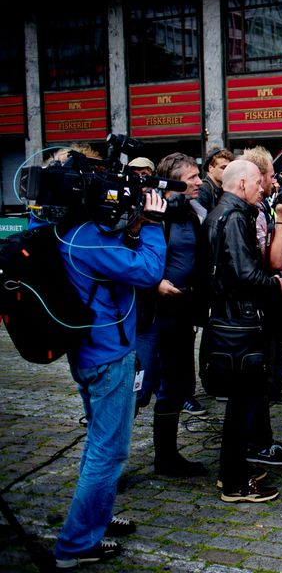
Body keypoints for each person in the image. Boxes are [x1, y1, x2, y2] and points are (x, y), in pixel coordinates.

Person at [53, 189, 167, 569]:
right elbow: (148, 271)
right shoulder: (87, 236)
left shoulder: (67, 230)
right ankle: (75, 545)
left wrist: (129, 228)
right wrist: (151, 225)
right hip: (108, 354)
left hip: (87, 350)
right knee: (109, 451)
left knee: (98, 443)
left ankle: (92, 521)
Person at [204, 159, 282, 503]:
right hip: (239, 323)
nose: (263, 188)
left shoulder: (220, 212)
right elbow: (243, 274)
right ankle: (234, 480)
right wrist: (274, 283)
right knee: (243, 404)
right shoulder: (237, 217)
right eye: (258, 182)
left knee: (242, 403)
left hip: (228, 319)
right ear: (242, 185)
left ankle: (233, 472)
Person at [134, 153, 208, 478]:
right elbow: (129, 261)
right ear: (173, 181)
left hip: (181, 314)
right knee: (138, 389)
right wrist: (154, 285)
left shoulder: (190, 216)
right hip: (150, 317)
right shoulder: (146, 215)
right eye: (192, 177)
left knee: (176, 385)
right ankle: (108, 467)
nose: (199, 182)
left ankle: (166, 457)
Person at [197, 148, 233, 214]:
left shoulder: (223, 189)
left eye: (229, 168)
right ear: (211, 168)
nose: (227, 171)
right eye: (223, 168)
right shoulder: (203, 189)